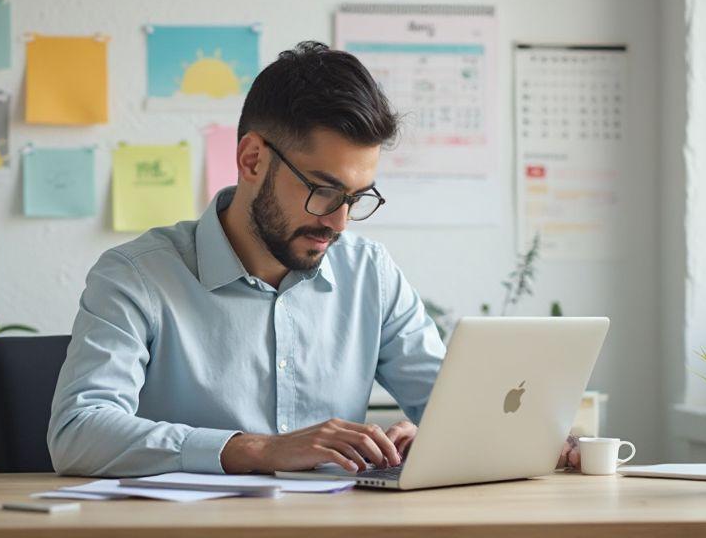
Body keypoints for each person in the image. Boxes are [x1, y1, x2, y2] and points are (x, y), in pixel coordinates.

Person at [47, 40, 582, 477]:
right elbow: (77, 432)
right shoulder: (137, 276)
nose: (339, 222)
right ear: (252, 158)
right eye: (323, 191)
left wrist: (445, 436)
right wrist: (256, 449)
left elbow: (454, 403)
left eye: (357, 197)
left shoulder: (369, 273)